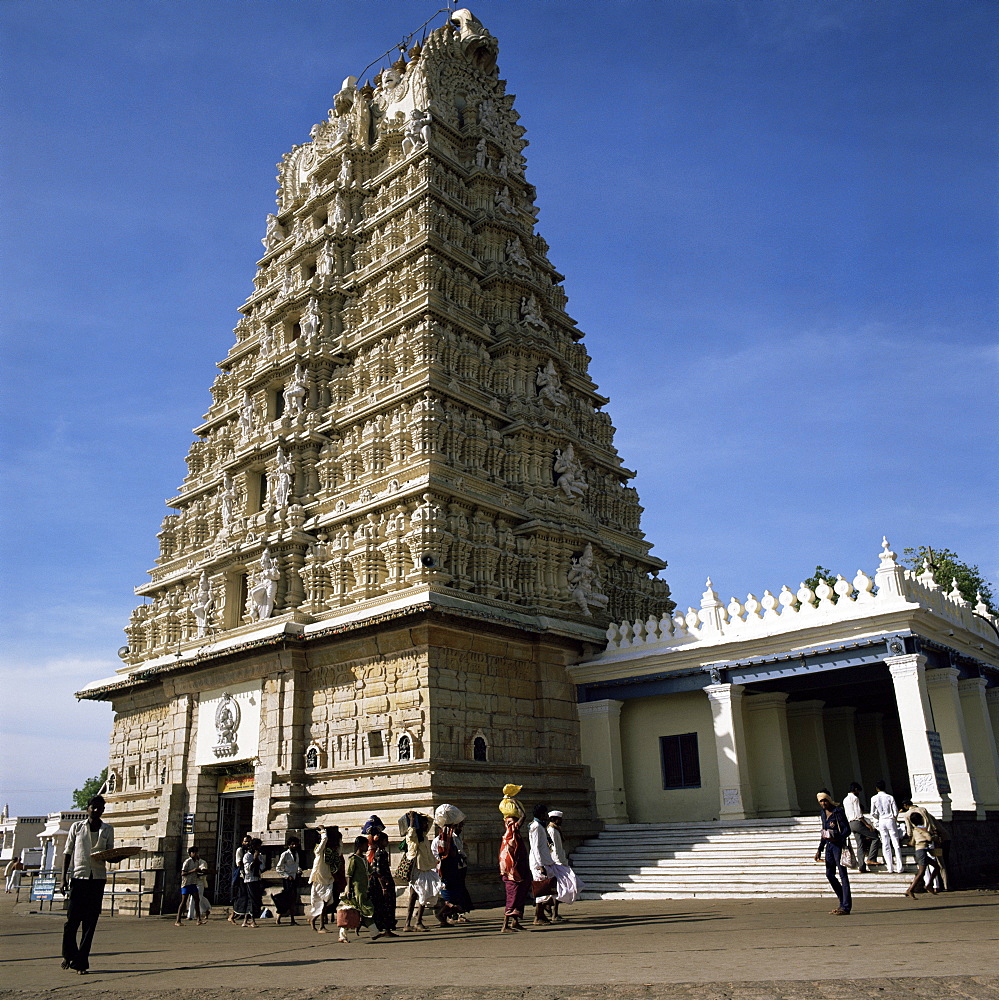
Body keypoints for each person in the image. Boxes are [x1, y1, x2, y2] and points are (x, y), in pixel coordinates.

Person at [60, 795, 114, 974]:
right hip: (78, 878)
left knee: (90, 924)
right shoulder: (76, 827)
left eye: (100, 808)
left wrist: (115, 857)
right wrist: (63, 879)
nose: (97, 810)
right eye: (94, 807)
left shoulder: (107, 829)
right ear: (88, 808)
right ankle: (68, 953)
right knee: (72, 922)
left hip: (97, 879)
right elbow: (67, 853)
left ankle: (81, 962)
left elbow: (110, 853)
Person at [432, 803, 473, 926]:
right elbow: (443, 857)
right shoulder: (441, 840)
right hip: (448, 872)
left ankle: (448, 916)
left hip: (455, 870)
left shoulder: (454, 838)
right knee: (451, 898)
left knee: (457, 896)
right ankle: (442, 915)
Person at [813, 790, 852, 916]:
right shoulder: (823, 813)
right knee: (829, 874)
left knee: (843, 875)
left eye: (825, 800)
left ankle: (846, 906)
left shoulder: (838, 812)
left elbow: (847, 829)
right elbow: (824, 831)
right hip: (829, 846)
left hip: (838, 845)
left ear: (829, 800)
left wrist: (838, 838)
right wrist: (820, 848)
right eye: (821, 801)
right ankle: (842, 901)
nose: (823, 803)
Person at [498, 785, 530, 933]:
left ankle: (515, 922)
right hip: (512, 871)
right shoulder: (511, 835)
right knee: (513, 894)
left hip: (516, 869)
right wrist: (517, 805)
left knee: (519, 892)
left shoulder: (512, 837)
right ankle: (505, 925)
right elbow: (523, 817)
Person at [401, 812, 439, 932]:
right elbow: (411, 834)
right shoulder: (413, 839)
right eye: (423, 823)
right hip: (417, 869)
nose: (426, 825)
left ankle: (417, 921)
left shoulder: (424, 838)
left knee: (421, 894)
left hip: (425, 868)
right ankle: (411, 922)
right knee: (418, 894)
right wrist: (412, 821)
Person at [899, 800, 949, 891]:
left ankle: (927, 884)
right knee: (937, 864)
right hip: (930, 841)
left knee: (925, 869)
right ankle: (938, 886)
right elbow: (931, 824)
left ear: (906, 805)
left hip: (921, 846)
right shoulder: (923, 810)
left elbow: (909, 831)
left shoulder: (907, 816)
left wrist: (910, 839)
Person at [338, 836, 374, 943]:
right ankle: (373, 931)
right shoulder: (354, 859)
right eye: (365, 845)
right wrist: (349, 889)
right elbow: (349, 875)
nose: (367, 847)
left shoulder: (364, 859)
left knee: (363, 910)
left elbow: (370, 871)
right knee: (361, 909)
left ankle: (374, 931)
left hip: (364, 888)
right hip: (356, 889)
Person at [309, 826, 344, 933]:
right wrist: (323, 831)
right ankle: (320, 926)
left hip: (328, 880)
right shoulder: (319, 852)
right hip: (319, 881)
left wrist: (339, 839)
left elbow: (340, 851)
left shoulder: (332, 854)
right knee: (322, 904)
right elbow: (324, 840)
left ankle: (315, 921)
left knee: (326, 904)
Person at [546, 810, 580, 919]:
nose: (561, 821)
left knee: (559, 888)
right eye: (559, 819)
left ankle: (551, 909)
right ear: (554, 819)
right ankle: (552, 910)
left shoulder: (556, 830)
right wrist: (561, 862)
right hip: (557, 862)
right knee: (559, 888)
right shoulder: (552, 830)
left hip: (559, 861)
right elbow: (554, 848)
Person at [842, 783, 881, 873]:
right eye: (858, 791)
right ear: (855, 789)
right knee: (875, 837)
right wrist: (866, 824)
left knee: (860, 845)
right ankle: (871, 858)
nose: (858, 793)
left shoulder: (845, 799)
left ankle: (861, 866)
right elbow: (859, 813)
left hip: (850, 823)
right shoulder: (855, 798)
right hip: (857, 822)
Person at [528, 802, 556, 925]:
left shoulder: (540, 826)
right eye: (545, 813)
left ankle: (541, 914)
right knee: (541, 889)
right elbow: (535, 848)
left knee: (545, 888)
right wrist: (540, 865)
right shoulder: (536, 827)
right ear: (540, 814)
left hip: (544, 860)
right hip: (539, 862)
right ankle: (538, 916)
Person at [904, 812, 942, 900]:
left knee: (936, 867)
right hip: (922, 851)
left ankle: (928, 885)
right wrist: (934, 836)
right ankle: (910, 889)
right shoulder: (922, 829)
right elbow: (929, 838)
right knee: (921, 872)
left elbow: (913, 842)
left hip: (921, 851)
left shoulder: (915, 830)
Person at [368, 832, 399, 939]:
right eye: (386, 840)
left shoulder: (379, 853)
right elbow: (379, 872)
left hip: (384, 882)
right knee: (387, 906)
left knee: (386, 906)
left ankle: (386, 928)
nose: (387, 842)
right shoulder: (380, 854)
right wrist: (384, 887)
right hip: (383, 883)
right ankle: (386, 929)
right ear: (381, 841)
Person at [870, 781, 903, 874]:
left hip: (882, 820)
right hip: (890, 819)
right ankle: (900, 867)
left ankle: (890, 867)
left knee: (885, 844)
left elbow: (872, 813)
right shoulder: (890, 797)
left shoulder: (874, 798)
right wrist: (894, 818)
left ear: (877, 788)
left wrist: (878, 817)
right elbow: (895, 811)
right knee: (896, 844)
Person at [175, 846, 208, 926]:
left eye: (197, 852)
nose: (196, 854)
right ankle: (178, 920)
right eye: (194, 853)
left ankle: (198, 919)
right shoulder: (187, 861)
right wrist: (193, 871)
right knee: (183, 902)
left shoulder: (197, 862)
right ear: (190, 854)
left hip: (193, 883)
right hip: (186, 884)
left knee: (197, 900)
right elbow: (183, 873)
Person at [241, 838, 264, 928]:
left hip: (256, 878)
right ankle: (252, 920)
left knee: (254, 899)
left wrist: (258, 859)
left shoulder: (259, 855)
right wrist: (254, 859)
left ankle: (246, 920)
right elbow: (248, 868)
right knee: (252, 899)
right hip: (249, 880)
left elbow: (262, 866)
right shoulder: (247, 856)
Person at [229, 834, 252, 924]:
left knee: (246, 896)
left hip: (248, 876)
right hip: (242, 876)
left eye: (249, 841)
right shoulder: (240, 850)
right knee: (241, 896)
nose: (247, 843)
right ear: (242, 842)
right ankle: (233, 915)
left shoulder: (250, 851)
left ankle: (242, 916)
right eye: (245, 841)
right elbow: (238, 863)